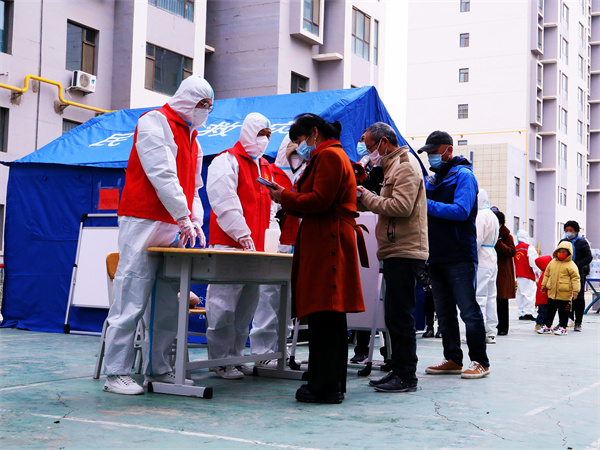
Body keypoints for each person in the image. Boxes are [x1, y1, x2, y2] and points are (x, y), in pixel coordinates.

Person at [103, 76, 213, 395]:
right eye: (202, 104)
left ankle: (160, 369)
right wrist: (183, 215)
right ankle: (116, 373)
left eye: (210, 106)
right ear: (187, 99)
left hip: (171, 224)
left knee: (167, 303)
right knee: (132, 296)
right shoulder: (155, 121)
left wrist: (194, 219)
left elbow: (194, 187)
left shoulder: (193, 139)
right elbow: (160, 171)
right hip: (143, 218)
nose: (205, 111)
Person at [268, 113, 365, 404]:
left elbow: (320, 200)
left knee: (326, 314)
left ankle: (325, 385)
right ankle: (327, 381)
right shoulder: (330, 155)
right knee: (328, 316)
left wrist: (285, 197)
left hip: (328, 240)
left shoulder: (329, 156)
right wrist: (286, 199)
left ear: (313, 133)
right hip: (326, 237)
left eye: (299, 141)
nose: (299, 148)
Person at [357, 122, 429, 393]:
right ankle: (398, 369)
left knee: (401, 316)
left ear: (384, 142)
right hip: (395, 248)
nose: (369, 153)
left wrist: (367, 196)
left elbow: (401, 206)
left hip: (405, 250)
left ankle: (406, 375)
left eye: (370, 147)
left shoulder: (405, 165)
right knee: (395, 315)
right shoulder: (393, 166)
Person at [205, 112, 276, 379]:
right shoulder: (227, 160)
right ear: (247, 132)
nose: (264, 140)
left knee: (246, 307)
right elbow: (223, 200)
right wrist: (241, 233)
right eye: (260, 134)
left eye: (268, 135)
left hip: (256, 249)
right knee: (223, 306)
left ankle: (234, 356)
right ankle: (220, 360)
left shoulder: (265, 167)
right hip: (230, 246)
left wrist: (270, 236)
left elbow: (271, 208)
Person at [418, 130, 490, 379]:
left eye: (434, 152)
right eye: (428, 153)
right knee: (444, 312)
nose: (430, 156)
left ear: (448, 150)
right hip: (436, 254)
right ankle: (452, 359)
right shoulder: (435, 179)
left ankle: (480, 361)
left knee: (468, 310)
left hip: (459, 255)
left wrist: (425, 204)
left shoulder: (464, 176)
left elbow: (460, 211)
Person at [249, 137, 303, 366]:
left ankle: (281, 350)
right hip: (275, 243)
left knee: (288, 301)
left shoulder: (304, 175)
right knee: (268, 298)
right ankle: (262, 352)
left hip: (296, 245)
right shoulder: (271, 173)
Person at [538, 242, 581, 335]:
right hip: (552, 293)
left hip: (565, 293)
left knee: (563, 312)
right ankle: (547, 326)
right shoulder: (552, 263)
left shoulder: (571, 265)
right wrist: (543, 285)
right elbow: (547, 274)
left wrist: (575, 291)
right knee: (550, 311)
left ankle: (563, 327)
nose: (561, 254)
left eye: (564, 252)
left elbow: (576, 278)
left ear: (569, 253)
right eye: (560, 251)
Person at [475, 189, 499, 344]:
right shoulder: (492, 215)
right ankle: (491, 332)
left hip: (482, 256)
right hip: (492, 255)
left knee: (479, 296)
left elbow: (477, 239)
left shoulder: (480, 215)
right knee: (491, 297)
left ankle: (478, 332)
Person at [559, 221, 593, 332]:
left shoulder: (582, 243)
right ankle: (567, 319)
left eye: (571, 230)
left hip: (578, 273)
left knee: (579, 297)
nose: (568, 232)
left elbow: (588, 257)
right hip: (565, 274)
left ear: (576, 231)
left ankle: (578, 322)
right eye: (566, 230)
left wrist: (575, 265)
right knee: (565, 297)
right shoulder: (563, 242)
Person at [492, 208, 516, 336]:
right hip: (491, 269)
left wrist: (498, 243)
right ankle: (493, 325)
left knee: (502, 300)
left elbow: (511, 251)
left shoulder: (507, 236)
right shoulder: (489, 233)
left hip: (502, 272)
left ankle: (503, 327)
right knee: (491, 300)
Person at [514, 230, 540, 321]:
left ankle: (521, 313)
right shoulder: (529, 247)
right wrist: (537, 271)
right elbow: (534, 261)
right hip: (527, 274)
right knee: (529, 294)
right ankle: (528, 313)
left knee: (520, 295)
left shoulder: (516, 248)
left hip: (518, 275)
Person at [534, 255, 552, 332]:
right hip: (544, 298)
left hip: (541, 299)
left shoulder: (543, 273)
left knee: (542, 312)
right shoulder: (546, 274)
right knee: (544, 313)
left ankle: (540, 324)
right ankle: (540, 324)